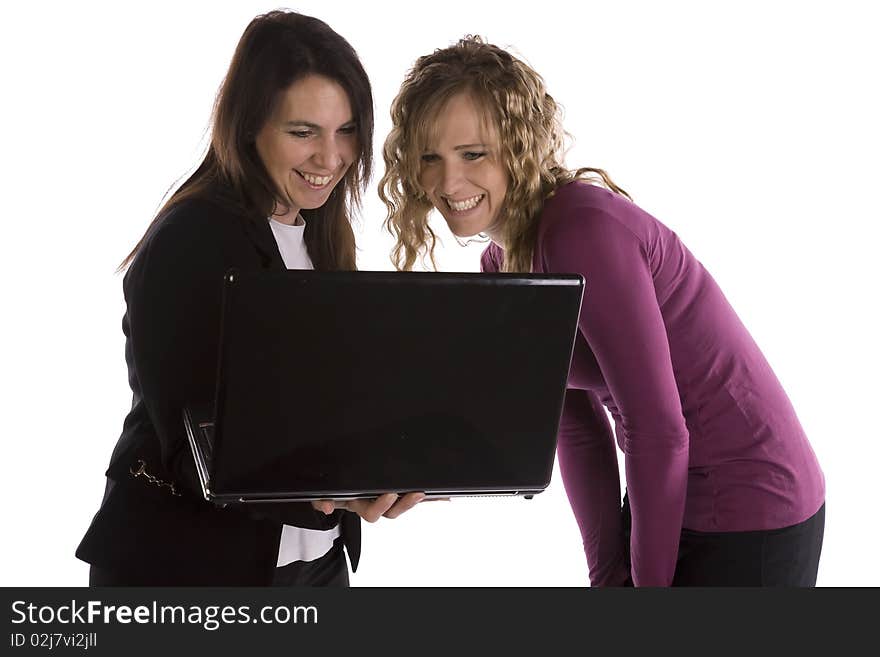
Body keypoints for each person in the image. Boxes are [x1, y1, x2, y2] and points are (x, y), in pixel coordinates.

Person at [379, 37, 826, 586]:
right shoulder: (501, 262)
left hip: (750, 503)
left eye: (474, 153)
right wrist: (607, 572)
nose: (449, 183)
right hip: (667, 492)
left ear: (519, 145)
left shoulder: (580, 228)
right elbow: (575, 425)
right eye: (431, 157)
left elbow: (658, 430)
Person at [76, 10, 424, 587]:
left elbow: (322, 403)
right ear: (248, 126)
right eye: (303, 132)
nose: (331, 158)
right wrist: (335, 491)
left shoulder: (321, 232)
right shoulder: (189, 241)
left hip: (314, 562)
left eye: (346, 130)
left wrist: (395, 462)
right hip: (189, 570)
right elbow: (194, 446)